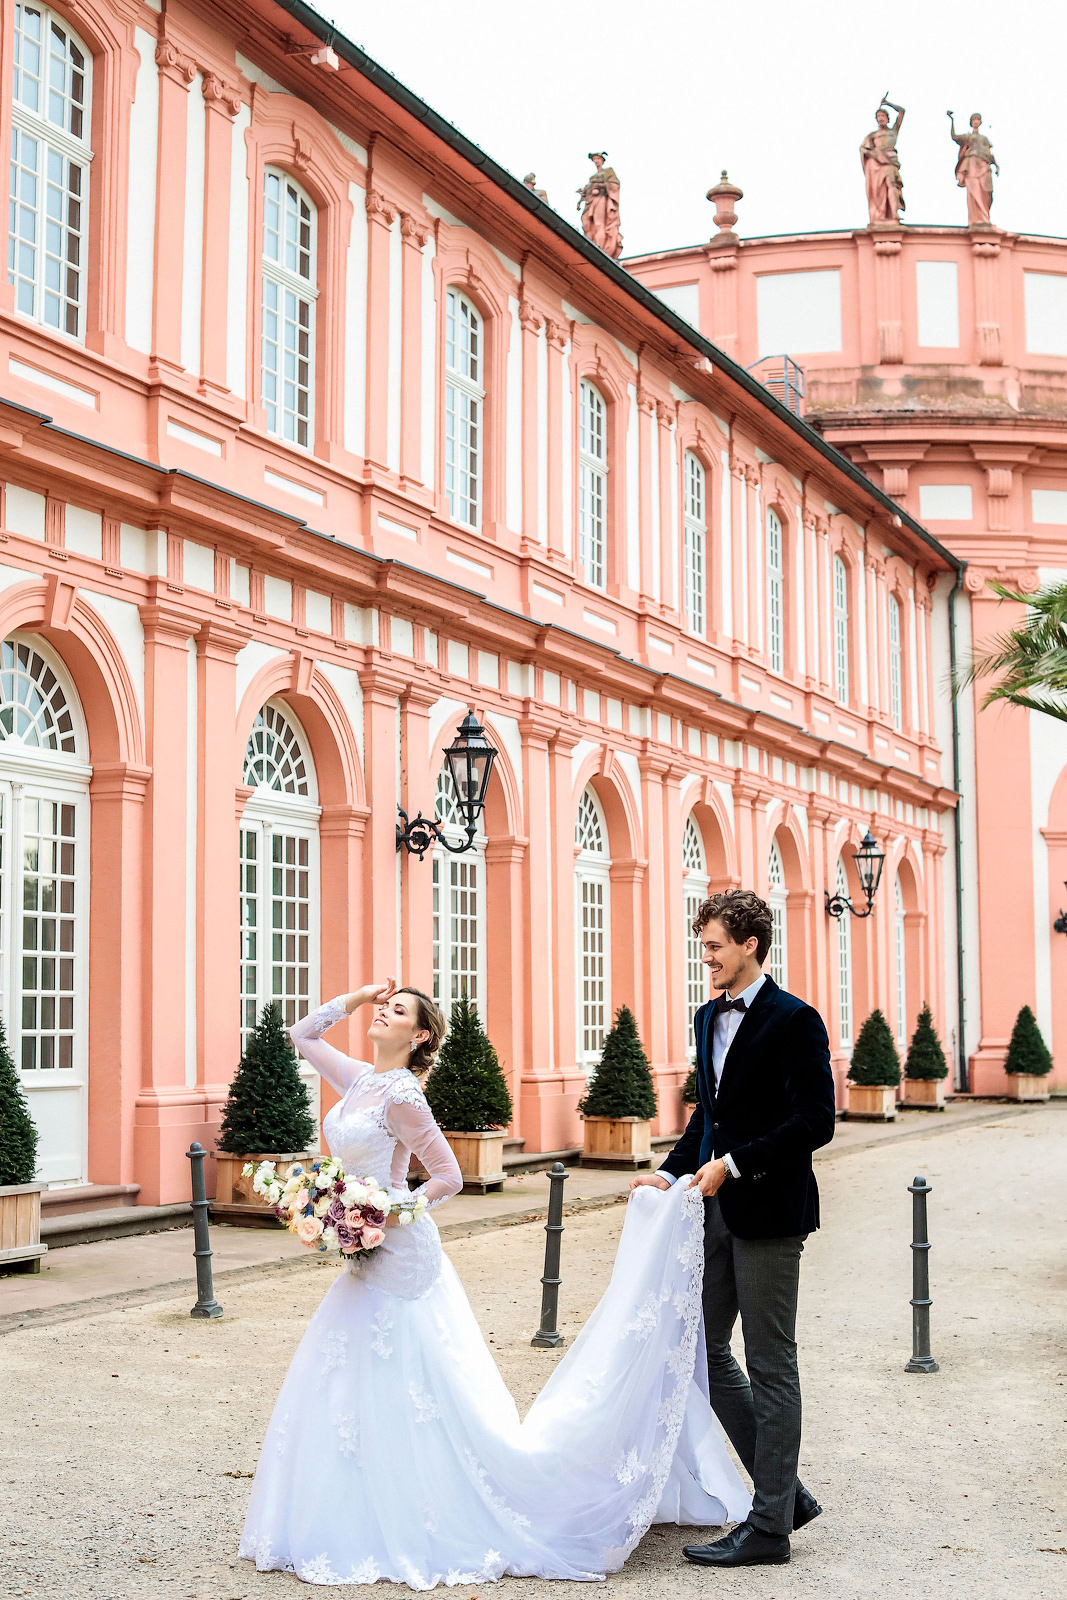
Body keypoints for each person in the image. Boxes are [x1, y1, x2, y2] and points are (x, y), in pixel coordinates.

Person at [240, 978, 750, 1589]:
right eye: (383, 1006)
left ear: (419, 1035)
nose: (382, 1012)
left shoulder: (401, 1094)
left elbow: (449, 1177)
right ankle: (359, 1504)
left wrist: (383, 1210)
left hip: (400, 1256)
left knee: (409, 1376)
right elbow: (300, 1035)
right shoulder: (360, 1080)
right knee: (348, 1372)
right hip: (364, 1251)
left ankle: (422, 1509)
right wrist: (355, 999)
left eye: (397, 1010)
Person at [633, 889, 837, 1569]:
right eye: (704, 946)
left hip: (771, 1211)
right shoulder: (705, 1017)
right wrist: (668, 1171)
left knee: (770, 1362)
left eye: (715, 946)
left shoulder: (794, 1019)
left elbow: (816, 1122)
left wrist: (735, 1164)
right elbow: (709, 1114)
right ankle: (786, 1497)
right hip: (711, 1209)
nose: (707, 958)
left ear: (750, 945)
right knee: (703, 1350)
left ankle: (769, 1528)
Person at [948, 111, 999, 226]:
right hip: (972, 164)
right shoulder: (968, 137)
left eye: (978, 120)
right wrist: (952, 120)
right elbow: (954, 136)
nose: (976, 122)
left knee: (987, 192)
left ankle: (985, 217)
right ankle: (977, 219)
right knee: (974, 190)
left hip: (984, 164)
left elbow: (989, 153)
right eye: (974, 120)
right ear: (971, 123)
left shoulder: (984, 139)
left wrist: (996, 165)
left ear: (980, 122)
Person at [860, 97, 905, 225]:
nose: (881, 119)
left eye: (883, 116)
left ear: (887, 118)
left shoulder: (893, 131)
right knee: (879, 190)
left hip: (890, 162)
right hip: (877, 165)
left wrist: (888, 103)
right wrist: (875, 155)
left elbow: (902, 111)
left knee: (892, 186)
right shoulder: (872, 136)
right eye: (878, 117)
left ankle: (894, 214)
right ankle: (882, 215)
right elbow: (864, 149)